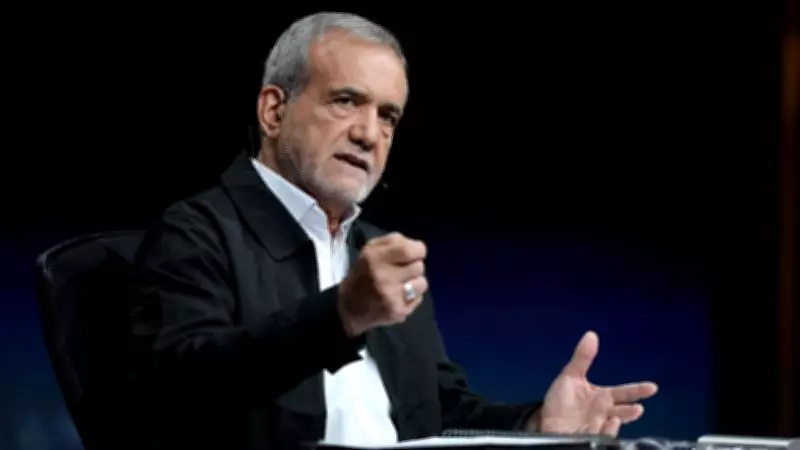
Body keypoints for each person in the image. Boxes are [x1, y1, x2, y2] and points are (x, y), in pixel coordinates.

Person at [128, 12, 658, 450]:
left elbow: (438, 412)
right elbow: (182, 391)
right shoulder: (195, 232)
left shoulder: (380, 253)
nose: (369, 134)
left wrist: (537, 425)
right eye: (345, 101)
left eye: (388, 116)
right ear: (273, 110)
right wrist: (341, 315)